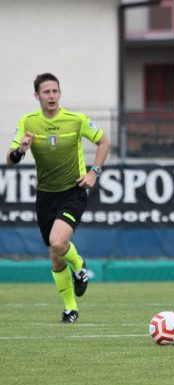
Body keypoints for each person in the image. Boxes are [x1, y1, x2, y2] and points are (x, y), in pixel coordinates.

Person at [6, 73, 110, 323]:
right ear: (37, 96)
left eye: (55, 91)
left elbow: (104, 141)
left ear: (60, 94)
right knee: (55, 255)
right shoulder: (28, 121)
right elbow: (9, 159)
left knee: (58, 241)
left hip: (72, 191)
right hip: (45, 196)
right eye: (46, 92)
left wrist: (93, 172)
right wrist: (21, 150)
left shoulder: (76, 120)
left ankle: (79, 265)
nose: (51, 96)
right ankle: (70, 308)